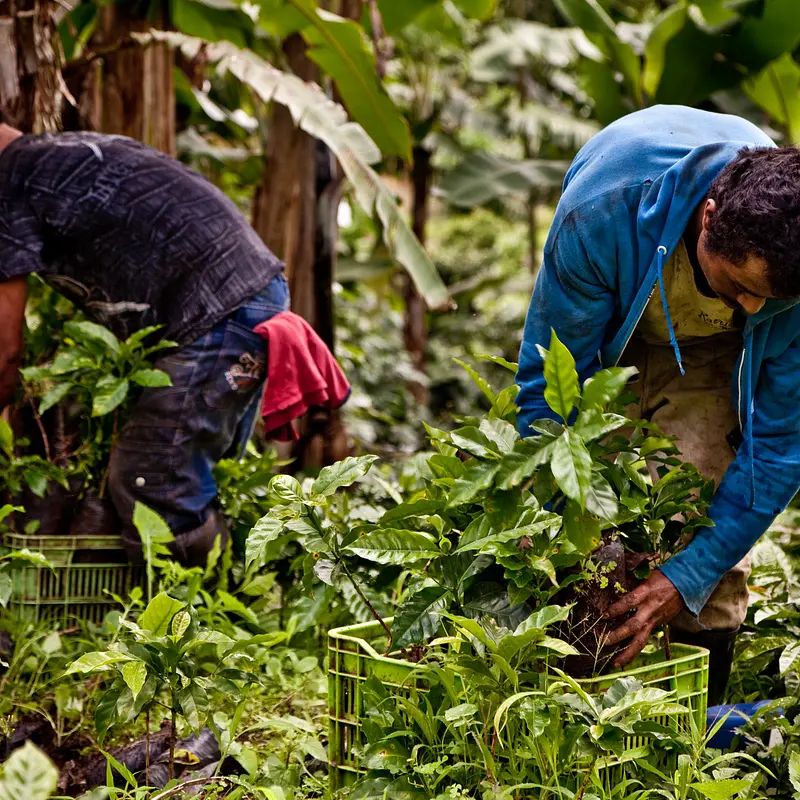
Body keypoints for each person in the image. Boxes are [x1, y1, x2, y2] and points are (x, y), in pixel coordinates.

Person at [516, 104, 800, 704]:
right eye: (737, 286)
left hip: (713, 353)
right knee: (589, 536)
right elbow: (552, 390)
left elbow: (777, 450)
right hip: (612, 312)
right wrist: (567, 536)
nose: (751, 306)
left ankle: (698, 710)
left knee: (699, 501)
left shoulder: (784, 288)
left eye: (766, 297)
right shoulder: (602, 214)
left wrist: (683, 578)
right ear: (708, 217)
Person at [0, 114, 289, 566]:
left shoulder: (11, 180)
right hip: (238, 303)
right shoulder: (53, 157)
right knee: (172, 476)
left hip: (217, 311)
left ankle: (200, 624)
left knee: (155, 487)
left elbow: (5, 349)